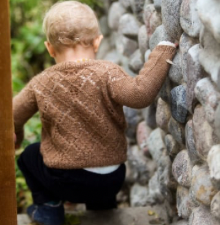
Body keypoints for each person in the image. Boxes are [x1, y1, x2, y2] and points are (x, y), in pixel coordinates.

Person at [13, 1, 176, 225]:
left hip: (64, 181)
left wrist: (17, 135)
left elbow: (13, 115)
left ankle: (49, 209)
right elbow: (140, 94)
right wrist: (163, 51)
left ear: (49, 48)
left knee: (29, 156)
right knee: (98, 166)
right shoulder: (107, 72)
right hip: (111, 180)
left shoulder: (41, 83)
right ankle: (103, 211)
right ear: (97, 42)